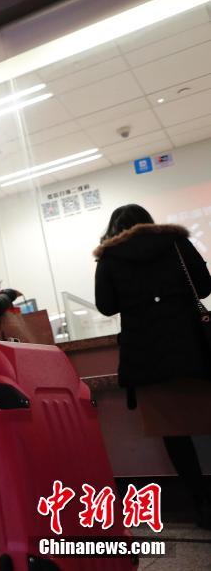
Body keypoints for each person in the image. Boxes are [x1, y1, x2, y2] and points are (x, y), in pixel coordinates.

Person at [94, 204, 211, 528]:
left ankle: (201, 504)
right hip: (194, 348)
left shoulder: (110, 256)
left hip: (148, 356)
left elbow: (106, 306)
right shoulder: (176, 242)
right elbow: (204, 286)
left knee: (174, 432)